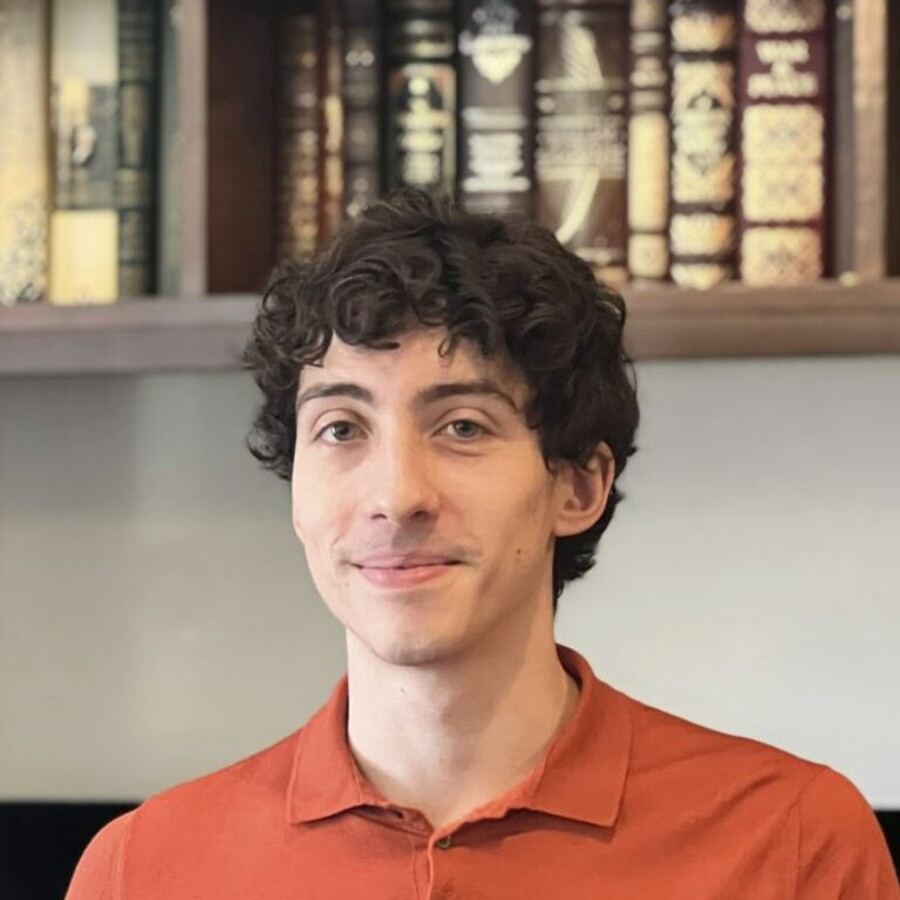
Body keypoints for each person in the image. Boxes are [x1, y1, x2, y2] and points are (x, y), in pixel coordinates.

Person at [67, 189, 898, 898]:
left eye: (463, 426)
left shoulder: (791, 846)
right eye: (341, 428)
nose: (396, 496)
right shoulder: (141, 870)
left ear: (577, 486)